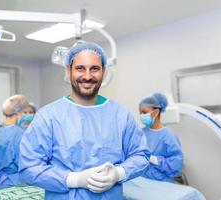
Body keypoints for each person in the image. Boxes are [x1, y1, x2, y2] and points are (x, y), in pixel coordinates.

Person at [19, 42, 150, 199]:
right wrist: (74, 179)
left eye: (94, 69)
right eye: (80, 68)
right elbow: (29, 167)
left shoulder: (120, 115)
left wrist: (118, 173)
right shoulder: (48, 116)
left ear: (103, 72)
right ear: (69, 71)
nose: (87, 76)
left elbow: (141, 155)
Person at [0, 94, 29, 190]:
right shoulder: (18, 134)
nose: (25, 116)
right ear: (18, 113)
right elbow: (25, 164)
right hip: (14, 185)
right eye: (24, 113)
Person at [139, 93, 183, 183]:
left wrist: (155, 160)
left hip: (162, 184)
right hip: (142, 183)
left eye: (144, 112)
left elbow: (176, 164)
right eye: (140, 113)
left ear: (156, 112)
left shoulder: (168, 136)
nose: (141, 116)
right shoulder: (140, 133)